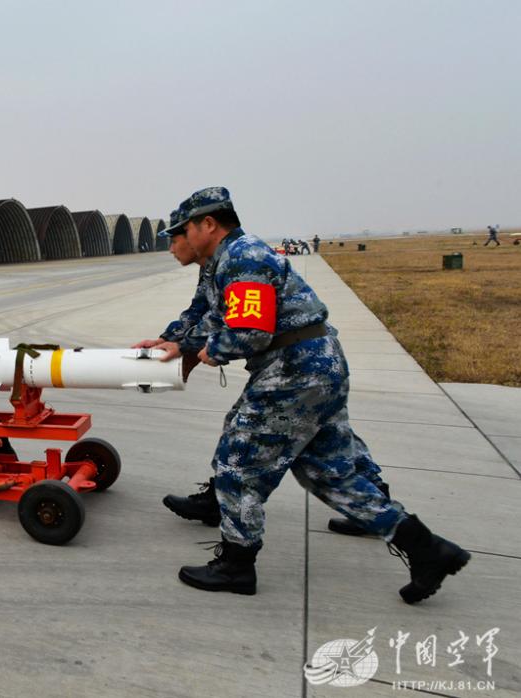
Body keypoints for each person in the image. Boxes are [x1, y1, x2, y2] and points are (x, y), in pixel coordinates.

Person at [134, 187, 469, 602]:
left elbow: (249, 332)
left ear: (208, 224)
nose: (172, 243)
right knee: (328, 471)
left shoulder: (244, 258)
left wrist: (209, 352)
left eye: (178, 232)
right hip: (309, 367)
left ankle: (236, 566)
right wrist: (173, 342)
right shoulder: (222, 262)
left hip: (294, 370)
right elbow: (205, 314)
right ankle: (427, 549)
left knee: (239, 462)